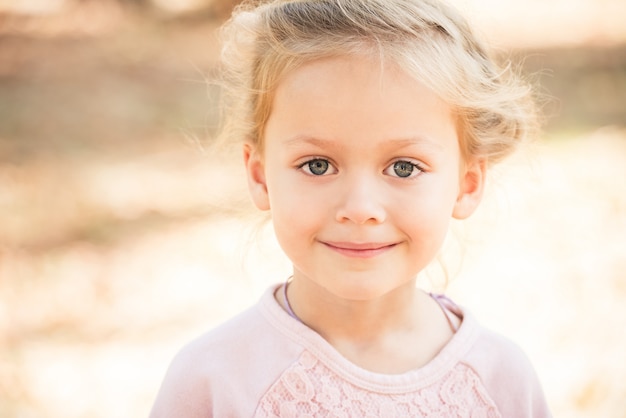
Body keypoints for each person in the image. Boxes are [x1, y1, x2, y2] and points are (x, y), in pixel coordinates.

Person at [150, 0, 551, 416]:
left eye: (403, 167)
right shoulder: (213, 382)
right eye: (318, 165)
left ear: (467, 183)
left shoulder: (501, 383)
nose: (360, 209)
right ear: (260, 176)